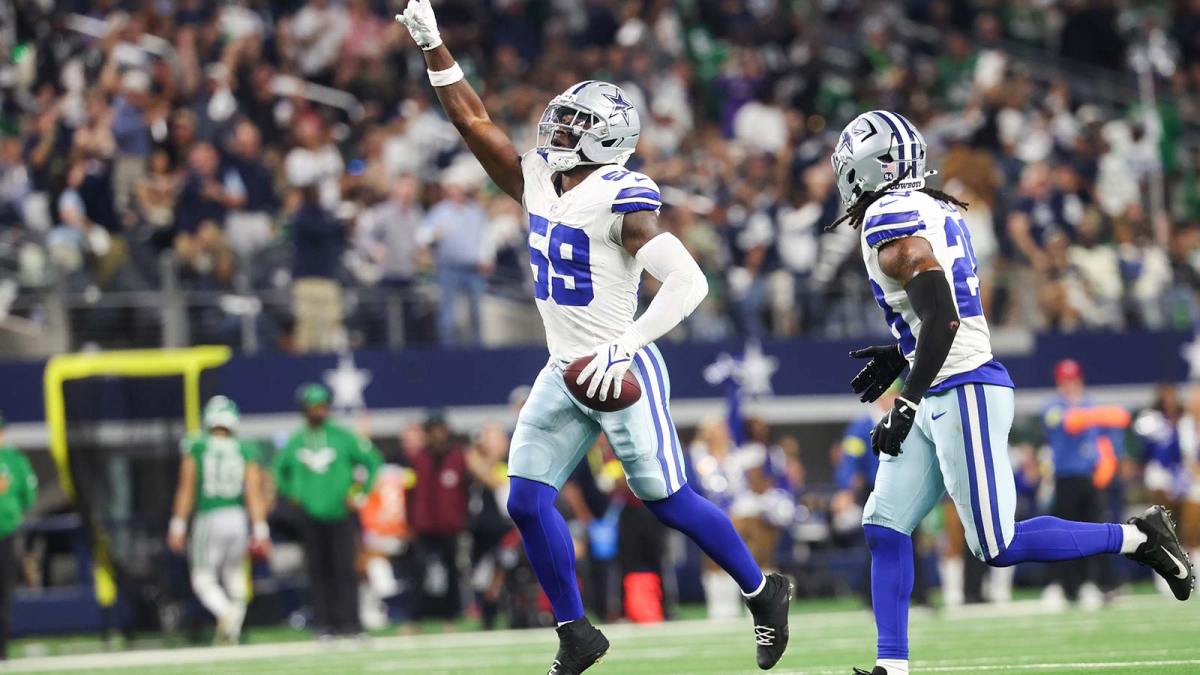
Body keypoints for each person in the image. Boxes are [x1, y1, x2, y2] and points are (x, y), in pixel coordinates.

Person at [396, 3, 791, 671]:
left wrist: (628, 342)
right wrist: (434, 43)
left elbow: (689, 283)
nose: (559, 128)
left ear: (608, 139)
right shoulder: (537, 179)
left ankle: (762, 590)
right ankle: (576, 631)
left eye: (577, 124)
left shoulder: (621, 195)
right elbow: (472, 119)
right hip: (564, 368)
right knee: (525, 496)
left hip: (618, 367)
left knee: (668, 501)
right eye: (564, 117)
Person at [828, 110, 1194, 675]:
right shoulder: (928, 205)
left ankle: (1137, 536)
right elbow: (934, 315)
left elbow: (944, 318)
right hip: (941, 383)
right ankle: (891, 667)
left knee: (995, 545)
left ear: (868, 168)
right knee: (884, 525)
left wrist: (904, 398)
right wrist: (901, 352)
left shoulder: (890, 215)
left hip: (961, 387)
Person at [273, 383, 382, 638]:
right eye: (313, 407)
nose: (318, 411)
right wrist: (292, 494)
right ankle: (324, 625)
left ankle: (351, 625)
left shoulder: (342, 437)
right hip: (310, 515)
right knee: (318, 571)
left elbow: (372, 460)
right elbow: (278, 470)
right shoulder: (296, 440)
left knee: (345, 569)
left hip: (341, 513)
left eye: (322, 406)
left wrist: (359, 492)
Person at [167, 396, 270, 644]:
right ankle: (231, 633)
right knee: (235, 577)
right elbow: (254, 493)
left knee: (203, 579)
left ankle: (226, 614)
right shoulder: (245, 448)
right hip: (237, 518)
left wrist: (177, 524)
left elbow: (186, 488)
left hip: (209, 516)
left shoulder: (197, 445)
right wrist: (260, 529)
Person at [1041, 358, 1131, 607]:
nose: (1071, 385)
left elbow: (1112, 430)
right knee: (1065, 535)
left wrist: (1104, 468)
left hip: (1088, 478)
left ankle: (1102, 584)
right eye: (1066, 380)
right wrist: (1102, 414)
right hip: (1065, 479)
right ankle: (1068, 587)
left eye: (1074, 379)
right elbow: (1070, 422)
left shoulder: (1089, 404)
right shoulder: (1053, 407)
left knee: (1096, 532)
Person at [0, 414, 36, 660]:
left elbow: (28, 498)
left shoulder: (14, 460)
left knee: (4, 591)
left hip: (6, 534)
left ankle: (2, 647)